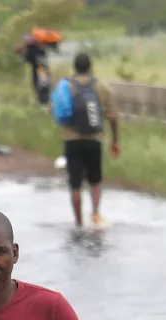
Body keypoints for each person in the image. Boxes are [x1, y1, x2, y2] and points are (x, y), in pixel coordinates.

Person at [59, 53, 120, 228]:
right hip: (94, 140)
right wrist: (115, 140)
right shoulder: (101, 87)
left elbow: (55, 110)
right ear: (90, 67)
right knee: (95, 180)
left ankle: (78, 222)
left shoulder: (66, 86)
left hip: (71, 140)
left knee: (75, 183)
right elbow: (113, 117)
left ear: (74, 67)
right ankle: (94, 214)